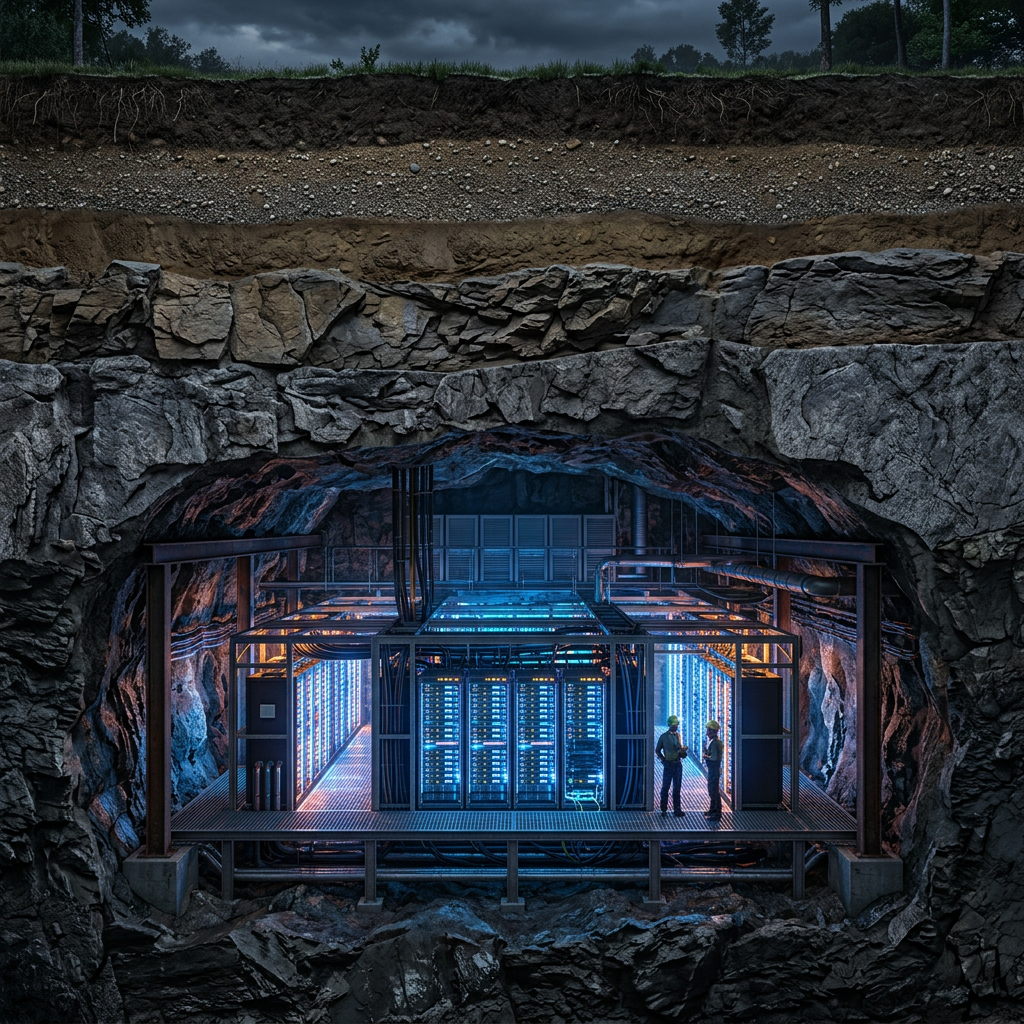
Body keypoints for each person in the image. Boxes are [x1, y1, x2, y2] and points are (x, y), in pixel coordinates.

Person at [655, 714, 687, 817]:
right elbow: (657, 750)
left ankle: (677, 809)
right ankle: (664, 809)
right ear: (669, 725)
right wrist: (663, 760)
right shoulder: (664, 737)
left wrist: (682, 751)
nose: (675, 727)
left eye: (676, 725)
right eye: (674, 725)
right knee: (666, 787)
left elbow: (679, 749)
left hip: (677, 764)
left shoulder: (678, 736)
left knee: (677, 788)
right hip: (669, 764)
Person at [703, 720, 724, 819]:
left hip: (714, 769)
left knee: (714, 790)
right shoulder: (714, 742)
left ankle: (717, 812)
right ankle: (713, 809)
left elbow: (714, 757)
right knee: (712, 789)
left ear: (713, 732)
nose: (707, 733)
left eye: (709, 731)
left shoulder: (715, 743)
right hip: (714, 769)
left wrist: (706, 756)